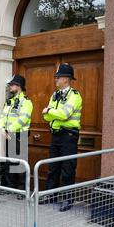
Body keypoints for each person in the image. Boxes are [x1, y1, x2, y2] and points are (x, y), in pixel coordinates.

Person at [40, 63, 82, 212]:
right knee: (53, 168)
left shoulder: (75, 96)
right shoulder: (55, 95)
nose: (56, 79)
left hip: (69, 136)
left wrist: (50, 110)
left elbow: (65, 114)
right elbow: (46, 117)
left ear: (66, 78)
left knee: (67, 169)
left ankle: (68, 200)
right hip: (56, 135)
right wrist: (51, 112)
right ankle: (51, 196)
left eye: (58, 77)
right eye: (56, 77)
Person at [0, 75, 33, 200]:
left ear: (18, 86)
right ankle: (10, 186)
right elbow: (2, 116)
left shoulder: (26, 102)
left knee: (20, 163)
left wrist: (9, 130)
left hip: (19, 135)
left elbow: (23, 119)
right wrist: (2, 128)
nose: (10, 87)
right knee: (9, 161)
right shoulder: (10, 101)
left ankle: (22, 189)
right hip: (8, 135)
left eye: (12, 85)